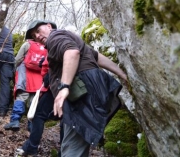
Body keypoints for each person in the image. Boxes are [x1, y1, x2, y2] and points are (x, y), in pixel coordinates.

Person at [22, 19, 127, 157]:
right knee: (72, 143)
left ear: (49, 26)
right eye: (34, 36)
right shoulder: (67, 36)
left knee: (72, 149)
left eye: (37, 31)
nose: (37, 36)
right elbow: (96, 56)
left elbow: (72, 52)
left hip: (83, 95)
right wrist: (122, 74)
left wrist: (64, 87)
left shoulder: (55, 37)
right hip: (93, 90)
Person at [4, 40, 48, 131]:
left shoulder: (28, 44)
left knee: (21, 96)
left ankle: (15, 120)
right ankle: (31, 124)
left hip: (25, 75)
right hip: (39, 77)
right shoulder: (47, 47)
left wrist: (14, 69)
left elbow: (18, 59)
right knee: (35, 100)